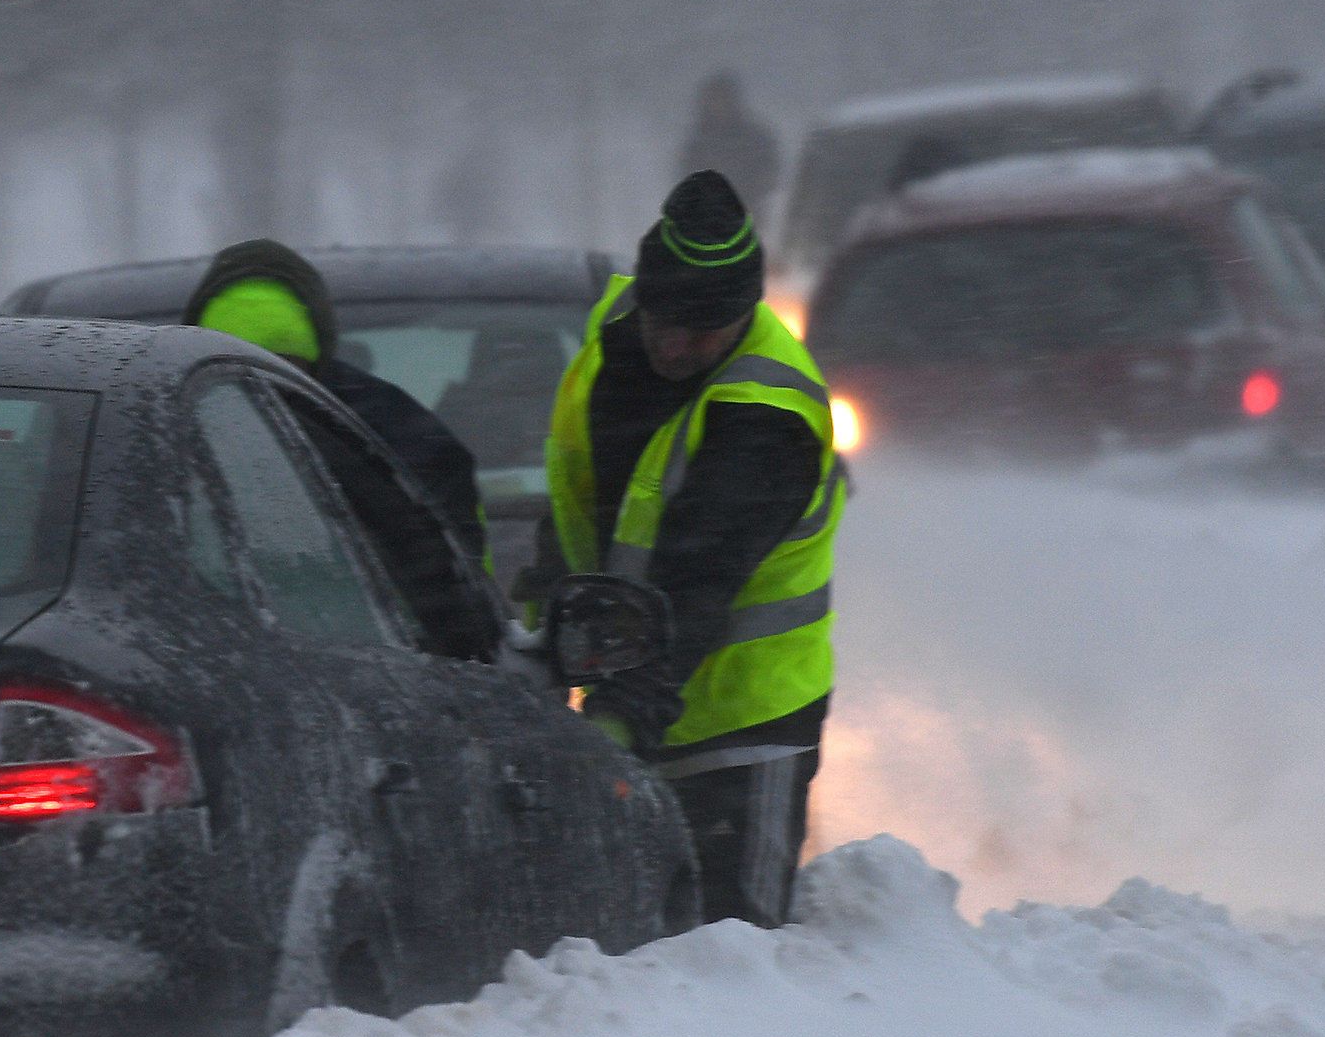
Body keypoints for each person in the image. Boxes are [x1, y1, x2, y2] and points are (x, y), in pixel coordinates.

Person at [531, 170, 839, 928]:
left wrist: (623, 704)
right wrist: (540, 626)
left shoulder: (767, 415)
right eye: (661, 319)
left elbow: (697, 579)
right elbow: (583, 507)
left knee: (732, 956)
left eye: (699, 333)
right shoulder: (615, 333)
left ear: (745, 313)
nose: (671, 345)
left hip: (744, 730)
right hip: (640, 701)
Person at [178, 239, 489, 573]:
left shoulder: (158, 424)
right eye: (239, 378)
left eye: (283, 375)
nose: (264, 406)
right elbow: (461, 591)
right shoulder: (397, 435)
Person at [675, 71, 783, 224]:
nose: (719, 105)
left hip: (752, 216)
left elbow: (769, 173)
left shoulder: (755, 138)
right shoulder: (698, 144)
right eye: (714, 99)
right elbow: (687, 179)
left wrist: (752, 195)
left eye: (723, 98)